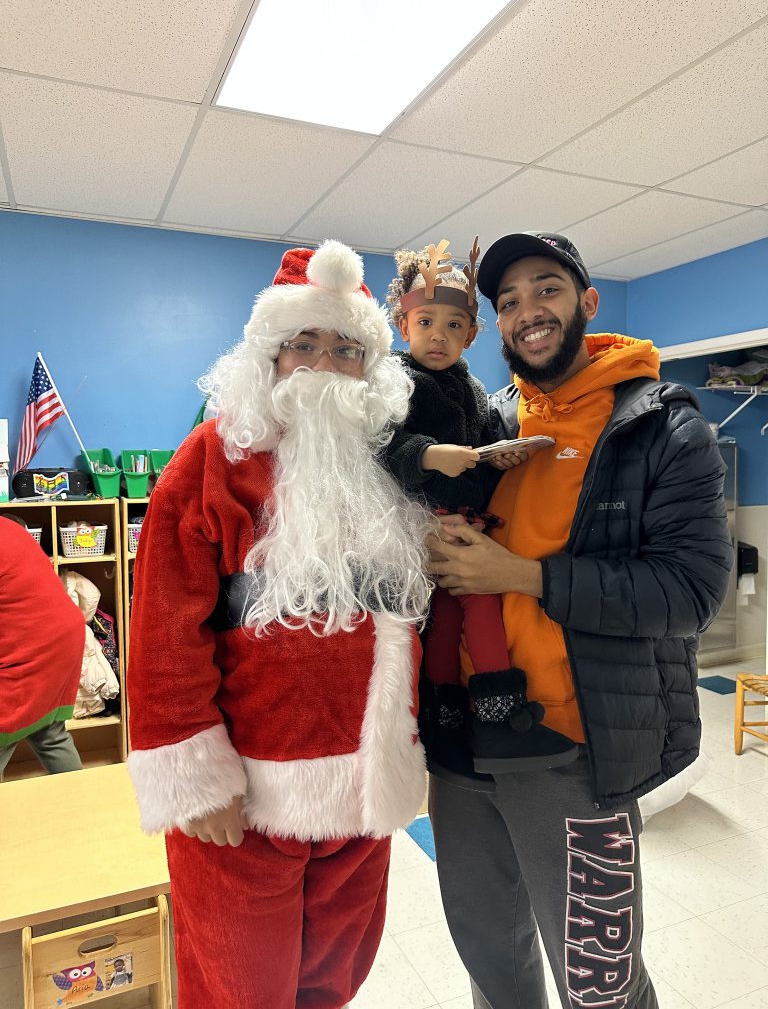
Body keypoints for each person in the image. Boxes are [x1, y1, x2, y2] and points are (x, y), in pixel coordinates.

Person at [425, 231, 733, 1009]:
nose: (528, 311)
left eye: (547, 289)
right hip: (460, 743)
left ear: (588, 304)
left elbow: (688, 592)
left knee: (600, 980)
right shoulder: (486, 422)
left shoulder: (664, 428)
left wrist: (522, 577)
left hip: (575, 749)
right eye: (508, 302)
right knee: (491, 963)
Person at [126, 240, 434, 1009]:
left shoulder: (381, 467)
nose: (326, 364)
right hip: (245, 797)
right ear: (270, 356)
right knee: (240, 986)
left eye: (347, 347)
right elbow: (164, 633)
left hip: (363, 791)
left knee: (334, 979)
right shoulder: (208, 463)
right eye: (306, 343)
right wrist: (195, 780)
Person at [383, 238, 573, 774]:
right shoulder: (396, 383)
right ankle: (496, 710)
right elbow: (383, 448)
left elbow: (486, 443)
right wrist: (429, 455)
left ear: (470, 334)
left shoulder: (473, 388)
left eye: (452, 326)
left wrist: (501, 458)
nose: (438, 336)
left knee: (453, 615)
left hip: (469, 523)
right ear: (404, 327)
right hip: (424, 525)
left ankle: (448, 711)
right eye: (425, 323)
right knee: (465, 612)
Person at [0, 516, 85, 779]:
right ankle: (82, 805)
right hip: (63, 635)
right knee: (49, 731)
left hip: (32, 644)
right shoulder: (9, 526)